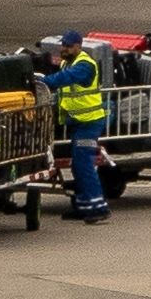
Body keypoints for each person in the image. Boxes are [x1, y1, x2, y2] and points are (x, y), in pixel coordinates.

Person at [53, 42, 110, 220]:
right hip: (78, 124)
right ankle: (83, 206)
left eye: (69, 46)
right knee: (78, 164)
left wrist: (43, 81)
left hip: (90, 125)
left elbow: (66, 78)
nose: (64, 49)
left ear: (78, 47)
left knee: (84, 162)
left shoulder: (85, 65)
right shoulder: (66, 63)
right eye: (63, 46)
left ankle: (99, 208)